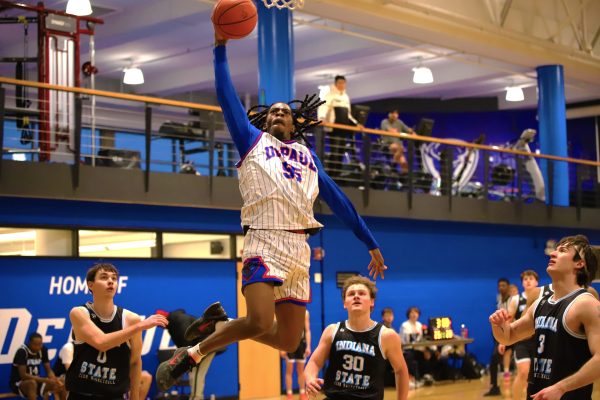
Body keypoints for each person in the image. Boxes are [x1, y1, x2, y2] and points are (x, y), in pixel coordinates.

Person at [156, 30, 387, 391]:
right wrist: (219, 47)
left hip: (299, 249)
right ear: (265, 121)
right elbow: (226, 96)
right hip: (263, 238)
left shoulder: (309, 158)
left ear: (295, 124)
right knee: (260, 322)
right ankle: (191, 354)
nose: (279, 113)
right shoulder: (251, 141)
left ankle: (218, 323)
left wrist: (369, 241)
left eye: (285, 111)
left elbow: (340, 202)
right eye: (273, 111)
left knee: (288, 341)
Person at [489, 235, 600, 400]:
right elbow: (508, 337)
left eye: (562, 251)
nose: (553, 254)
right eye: (555, 250)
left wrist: (561, 388)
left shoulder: (586, 304)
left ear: (579, 263)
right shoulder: (539, 304)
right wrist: (498, 324)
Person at [67, 263, 168, 400]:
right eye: (104, 277)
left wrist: (135, 397)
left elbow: (135, 362)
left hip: (114, 395)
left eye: (114, 278)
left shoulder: (131, 319)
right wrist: (141, 326)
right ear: (90, 285)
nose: (110, 281)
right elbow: (101, 342)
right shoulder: (79, 313)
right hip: (80, 395)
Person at [304, 276, 409, 400]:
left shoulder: (387, 336)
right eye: (351, 294)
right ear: (344, 303)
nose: (356, 296)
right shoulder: (332, 331)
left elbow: (401, 371)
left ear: (372, 301)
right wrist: (310, 379)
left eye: (362, 293)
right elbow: (314, 362)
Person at [318, 75, 362, 179]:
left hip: (344, 129)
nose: (341, 85)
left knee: (341, 152)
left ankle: (337, 175)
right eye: (339, 83)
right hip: (334, 128)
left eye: (343, 83)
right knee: (335, 151)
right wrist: (322, 117)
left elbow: (348, 115)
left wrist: (357, 124)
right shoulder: (330, 95)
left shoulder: (346, 97)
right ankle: (331, 175)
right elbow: (323, 106)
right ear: (336, 84)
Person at [485, 278, 518, 396]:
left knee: (496, 358)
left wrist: (503, 340)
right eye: (499, 286)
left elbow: (511, 318)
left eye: (504, 285)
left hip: (513, 334)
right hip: (503, 334)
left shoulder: (514, 299)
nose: (501, 288)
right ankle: (495, 386)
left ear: (508, 287)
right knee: (495, 360)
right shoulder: (500, 299)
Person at [9, 332, 66, 400]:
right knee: (32, 383)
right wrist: (45, 380)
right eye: (35, 345)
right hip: (19, 383)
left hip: (37, 381)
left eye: (40, 344)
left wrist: (55, 380)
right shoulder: (22, 351)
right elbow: (23, 375)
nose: (38, 347)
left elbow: (48, 371)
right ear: (29, 343)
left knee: (62, 381)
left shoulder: (43, 349)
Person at [511, 270, 539, 400]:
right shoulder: (517, 299)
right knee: (523, 373)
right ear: (522, 283)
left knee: (537, 376)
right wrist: (502, 341)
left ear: (536, 282)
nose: (528, 281)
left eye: (531, 278)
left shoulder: (542, 298)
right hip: (521, 341)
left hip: (538, 342)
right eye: (525, 279)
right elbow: (508, 320)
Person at [280, 310, 311, 400]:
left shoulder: (305, 312)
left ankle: (302, 393)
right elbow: (282, 329)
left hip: (301, 344)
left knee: (301, 370)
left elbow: (308, 330)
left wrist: (308, 346)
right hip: (289, 343)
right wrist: (282, 347)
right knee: (289, 370)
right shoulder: (286, 311)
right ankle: (289, 394)